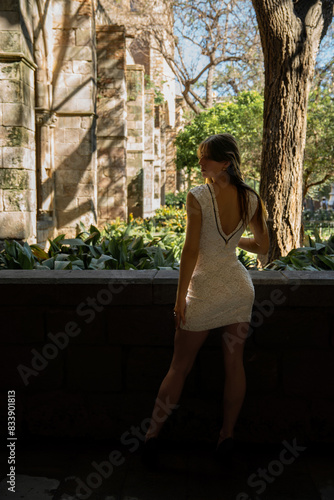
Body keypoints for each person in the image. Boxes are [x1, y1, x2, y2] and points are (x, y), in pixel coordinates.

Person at [142, 133, 269, 466]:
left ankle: (152, 435)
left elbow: (191, 250)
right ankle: (226, 435)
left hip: (204, 288)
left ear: (225, 161)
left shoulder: (198, 196)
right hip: (239, 287)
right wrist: (233, 244)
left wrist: (180, 297)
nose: (200, 164)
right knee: (234, 364)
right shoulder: (251, 198)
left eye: (205, 158)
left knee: (179, 366)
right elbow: (263, 247)